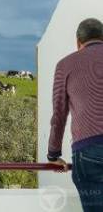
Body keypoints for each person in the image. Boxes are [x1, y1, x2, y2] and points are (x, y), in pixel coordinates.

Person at [47, 18, 103, 212]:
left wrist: (53, 154)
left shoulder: (65, 65)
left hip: (88, 150)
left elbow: (59, 114)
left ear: (78, 41)